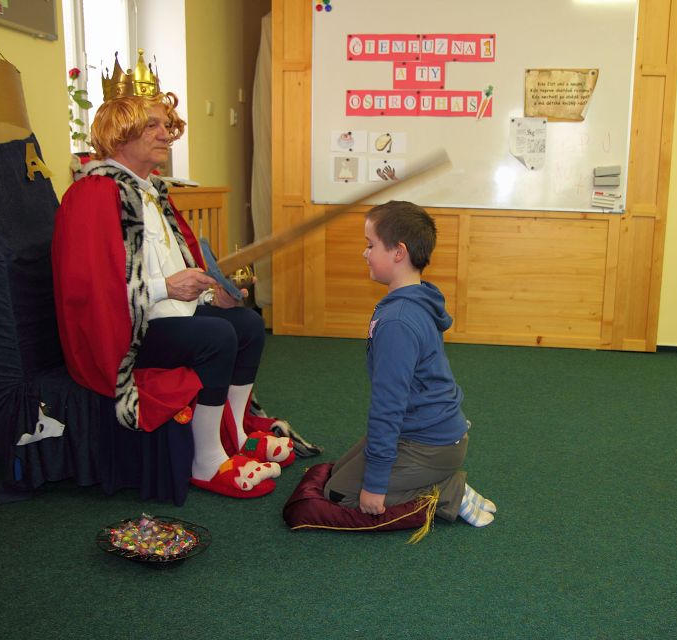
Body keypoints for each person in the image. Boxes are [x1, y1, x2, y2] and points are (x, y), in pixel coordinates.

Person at [52, 50, 292, 498]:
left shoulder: (153, 193)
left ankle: (237, 434)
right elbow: (88, 290)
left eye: (166, 125)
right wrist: (167, 287)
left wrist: (209, 294)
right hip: (122, 331)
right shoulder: (91, 194)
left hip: (164, 315)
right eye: (152, 126)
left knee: (246, 324)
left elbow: (174, 269)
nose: (166, 134)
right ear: (119, 132)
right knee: (216, 337)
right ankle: (207, 461)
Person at [323, 200, 497, 527]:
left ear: (398, 252)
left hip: (430, 444)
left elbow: (388, 405)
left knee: (339, 494)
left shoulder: (398, 321)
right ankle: (438, 479)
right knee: (337, 472)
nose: (364, 252)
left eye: (370, 245)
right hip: (426, 431)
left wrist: (375, 484)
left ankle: (449, 491)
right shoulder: (416, 297)